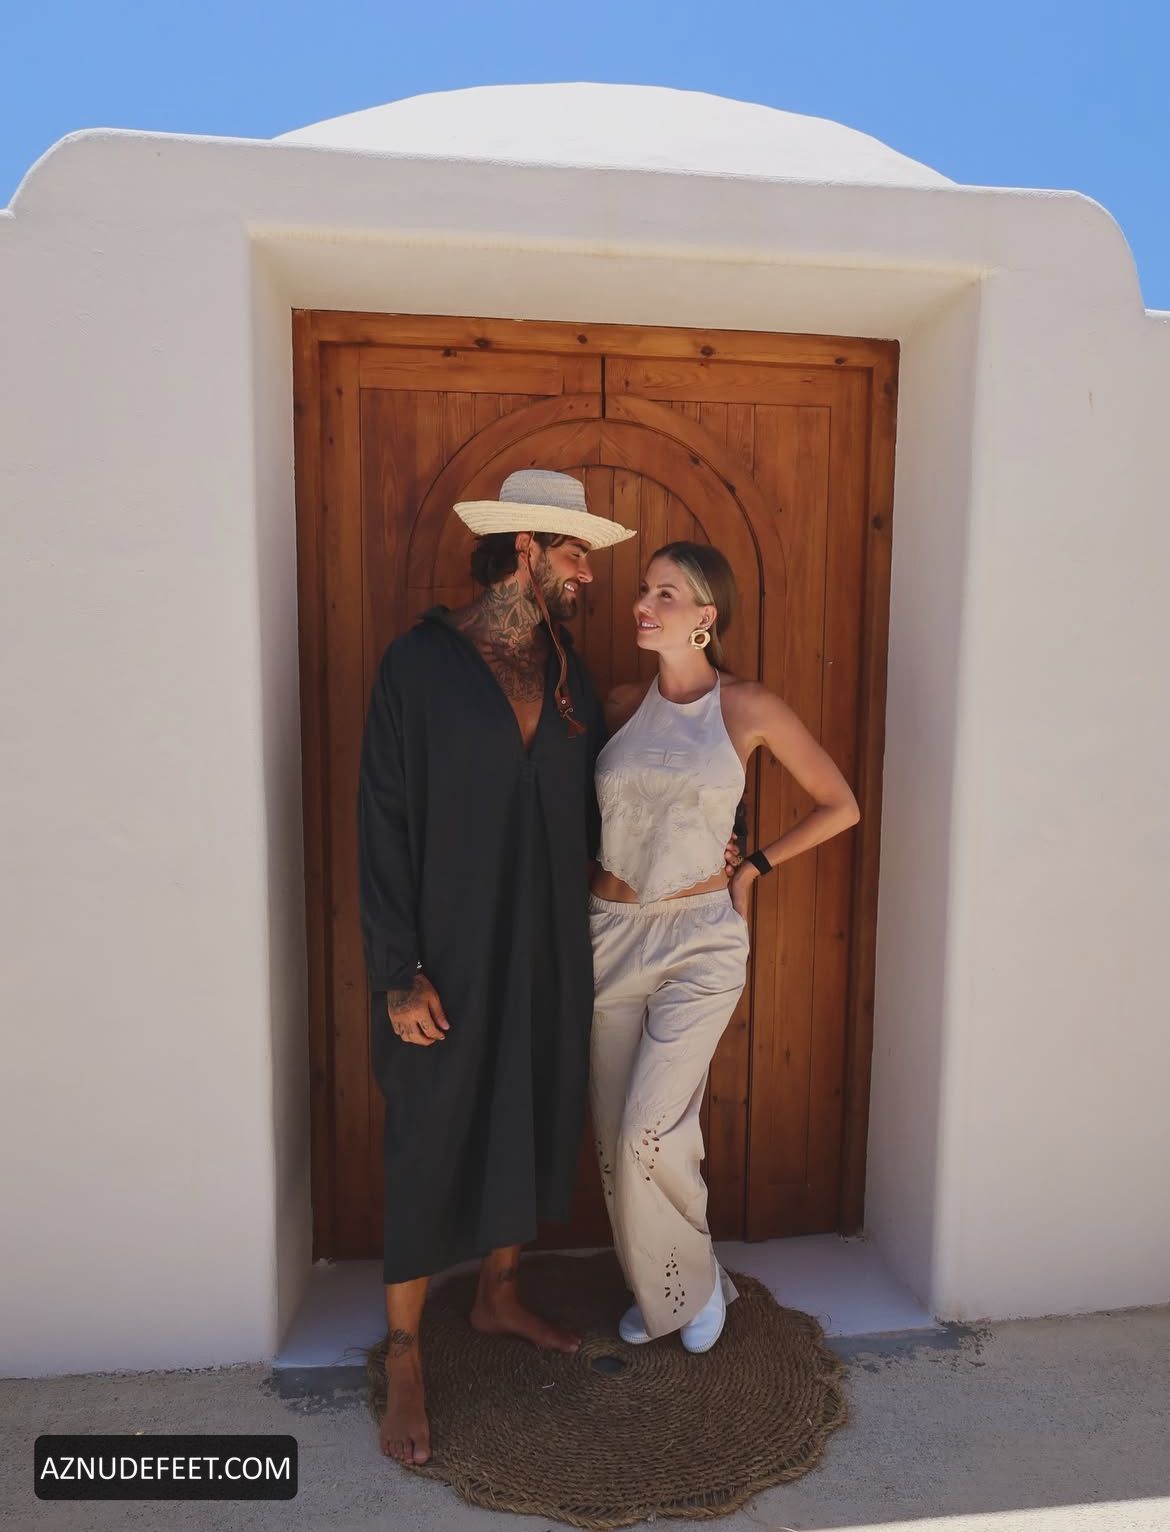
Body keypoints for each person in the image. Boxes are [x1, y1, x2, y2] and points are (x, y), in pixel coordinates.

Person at [357, 469, 635, 1466]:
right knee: (428, 1127)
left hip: (549, 940)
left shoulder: (567, 672)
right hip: (444, 949)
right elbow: (383, 818)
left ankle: (498, 1293)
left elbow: (601, 797)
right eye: (574, 553)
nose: (586, 575)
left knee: (532, 1108)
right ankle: (404, 1352)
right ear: (524, 546)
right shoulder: (420, 665)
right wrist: (398, 967)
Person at [588, 541, 860, 1354]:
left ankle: (690, 1288)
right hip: (607, 936)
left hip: (699, 941)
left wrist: (753, 867)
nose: (644, 605)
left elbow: (839, 804)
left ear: (705, 616)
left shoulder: (748, 707)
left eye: (665, 594)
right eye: (644, 590)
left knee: (648, 1130)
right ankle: (671, 1284)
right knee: (613, 1141)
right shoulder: (618, 704)